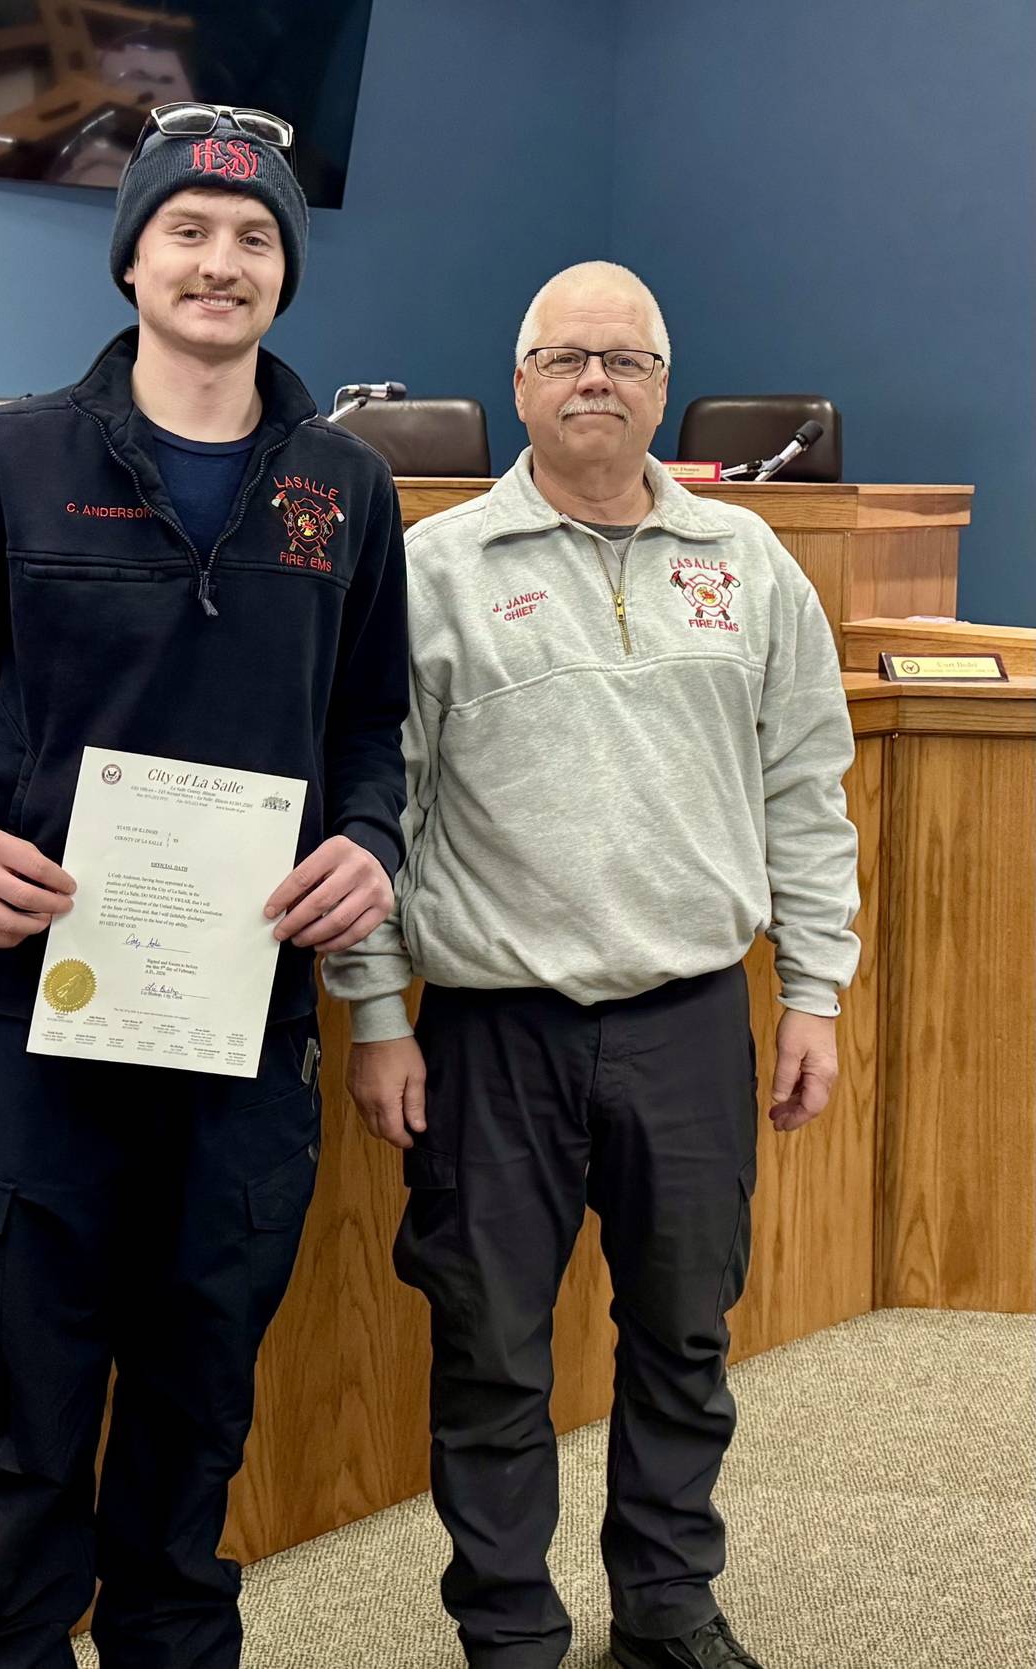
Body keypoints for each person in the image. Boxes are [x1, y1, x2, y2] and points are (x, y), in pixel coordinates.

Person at [0, 103, 408, 1669]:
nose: (219, 262)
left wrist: (368, 840)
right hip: (42, 1036)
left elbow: (374, 727)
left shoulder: (347, 489)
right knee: (34, 1450)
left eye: (254, 238)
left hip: (243, 1057)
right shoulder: (4, 459)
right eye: (188, 230)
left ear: (285, 272)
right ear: (133, 256)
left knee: (191, 1446)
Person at [324, 261, 859, 1669]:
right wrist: (377, 1013)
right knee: (491, 1348)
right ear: (519, 384)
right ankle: (508, 1625)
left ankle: (669, 1602)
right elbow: (373, 806)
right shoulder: (435, 570)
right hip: (494, 1031)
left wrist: (814, 988)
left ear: (662, 384)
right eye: (565, 357)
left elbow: (807, 784)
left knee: (685, 1334)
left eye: (623, 359)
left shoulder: (748, 563)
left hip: (691, 1021)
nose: (595, 381)